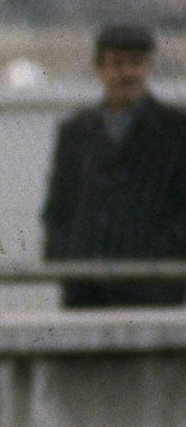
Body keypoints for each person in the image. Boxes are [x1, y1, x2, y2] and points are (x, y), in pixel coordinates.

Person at [41, 24, 186, 308]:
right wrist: (69, 261)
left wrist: (163, 265)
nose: (128, 73)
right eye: (117, 64)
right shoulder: (76, 133)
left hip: (152, 291)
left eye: (136, 63)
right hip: (86, 292)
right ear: (100, 69)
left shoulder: (176, 130)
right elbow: (59, 207)